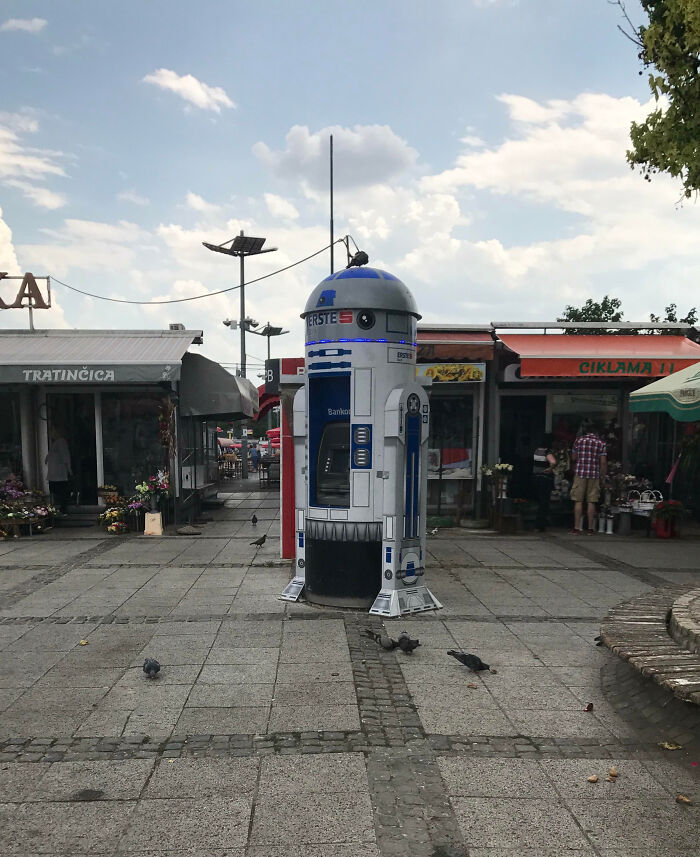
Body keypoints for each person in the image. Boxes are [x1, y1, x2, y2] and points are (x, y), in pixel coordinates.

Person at [569, 423, 607, 535]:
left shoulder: (578, 441)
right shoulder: (601, 443)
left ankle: (576, 528)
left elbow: (573, 458)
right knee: (592, 501)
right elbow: (603, 462)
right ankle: (590, 528)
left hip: (580, 473)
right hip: (594, 474)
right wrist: (603, 476)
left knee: (578, 500)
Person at [532, 434, 556, 532]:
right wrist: (550, 468)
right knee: (544, 502)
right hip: (544, 479)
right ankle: (540, 524)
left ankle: (538, 524)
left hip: (536, 478)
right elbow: (553, 462)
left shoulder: (536, 450)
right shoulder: (547, 452)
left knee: (539, 501)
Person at [46, 425, 72, 512]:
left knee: (61, 492)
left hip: (59, 473)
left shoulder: (61, 442)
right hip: (54, 473)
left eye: (52, 431)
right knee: (57, 491)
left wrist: (69, 469)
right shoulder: (55, 443)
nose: (50, 434)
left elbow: (65, 456)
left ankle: (62, 508)